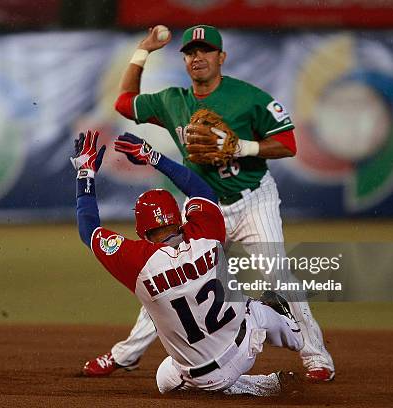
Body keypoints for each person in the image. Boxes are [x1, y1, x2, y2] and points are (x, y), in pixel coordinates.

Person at [83, 24, 335, 382]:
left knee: (276, 273)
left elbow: (288, 143)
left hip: (251, 201)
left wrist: (243, 147)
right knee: (166, 278)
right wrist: (143, 50)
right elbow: (123, 102)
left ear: (221, 57)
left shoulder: (248, 98)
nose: (197, 57)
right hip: (203, 208)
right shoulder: (173, 101)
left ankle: (316, 357)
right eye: (190, 52)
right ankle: (126, 355)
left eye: (205, 50)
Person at [72, 128, 304, 396]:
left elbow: (88, 229)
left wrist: (84, 174)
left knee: (165, 379)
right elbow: (201, 190)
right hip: (248, 341)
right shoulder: (206, 235)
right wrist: (153, 156)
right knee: (254, 308)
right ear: (180, 218)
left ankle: (261, 385)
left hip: (205, 376)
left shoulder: (139, 263)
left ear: (140, 231)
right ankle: (295, 334)